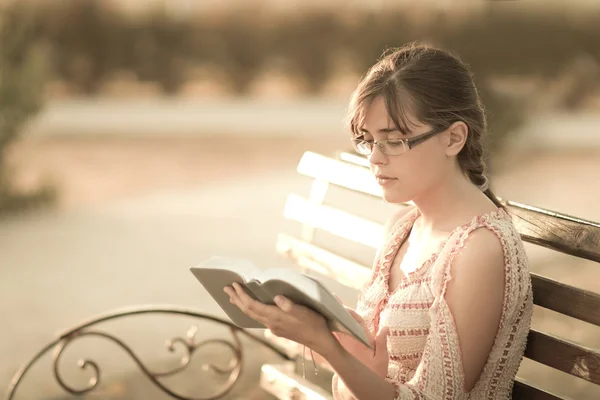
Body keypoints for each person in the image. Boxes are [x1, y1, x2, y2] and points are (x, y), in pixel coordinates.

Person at [223, 41, 533, 399]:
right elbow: (378, 370)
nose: (374, 158)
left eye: (394, 140)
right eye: (367, 141)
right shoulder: (402, 227)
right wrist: (324, 328)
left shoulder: (480, 248)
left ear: (454, 138)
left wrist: (326, 345)